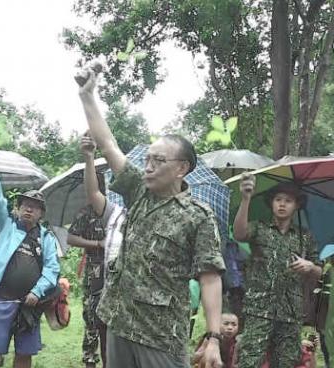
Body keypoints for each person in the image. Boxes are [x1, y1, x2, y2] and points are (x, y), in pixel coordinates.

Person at [77, 65, 225, 367]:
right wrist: (87, 96)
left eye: (158, 160)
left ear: (181, 168)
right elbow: (108, 144)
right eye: (147, 159)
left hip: (160, 334)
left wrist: (213, 337)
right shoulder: (138, 192)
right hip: (119, 321)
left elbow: (210, 278)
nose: (148, 167)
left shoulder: (198, 216)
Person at [0, 151, 60, 368]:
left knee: (24, 352)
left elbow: (52, 269)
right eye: (25, 205)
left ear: (41, 213)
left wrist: (36, 291)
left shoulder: (46, 238)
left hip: (30, 304)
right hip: (1, 298)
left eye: (34, 206)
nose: (29, 208)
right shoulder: (7, 226)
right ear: (19, 208)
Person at [233, 178, 322, 368]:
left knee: (287, 363)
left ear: (297, 205)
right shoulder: (259, 228)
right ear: (271, 203)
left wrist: (310, 266)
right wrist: (246, 198)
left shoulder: (305, 236)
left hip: (291, 312)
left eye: (288, 200)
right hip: (259, 309)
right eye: (278, 199)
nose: (282, 204)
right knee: (249, 361)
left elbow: (318, 271)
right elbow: (239, 234)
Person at [67, 135, 108, 368]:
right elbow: (71, 238)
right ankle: (90, 360)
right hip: (94, 271)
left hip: (115, 272)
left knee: (110, 322)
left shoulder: (116, 210)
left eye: (101, 183)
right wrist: (97, 245)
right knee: (92, 317)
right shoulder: (85, 213)